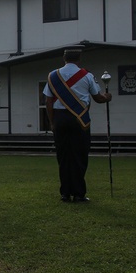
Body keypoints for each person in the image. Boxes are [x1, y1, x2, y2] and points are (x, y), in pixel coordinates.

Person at [43, 46, 112, 202]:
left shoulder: (53, 76)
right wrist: (108, 96)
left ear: (64, 58)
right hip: (79, 119)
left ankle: (65, 193)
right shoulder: (86, 75)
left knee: (63, 156)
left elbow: (48, 101)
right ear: (79, 59)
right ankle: (79, 194)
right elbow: (98, 98)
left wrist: (52, 122)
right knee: (79, 156)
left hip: (60, 119)